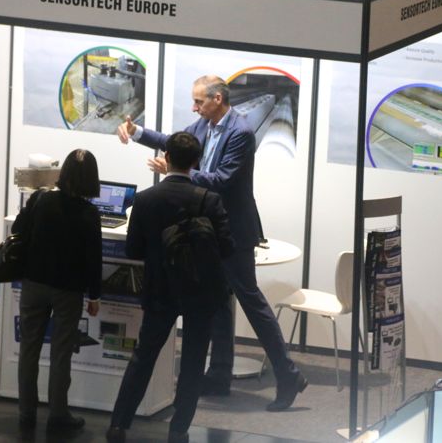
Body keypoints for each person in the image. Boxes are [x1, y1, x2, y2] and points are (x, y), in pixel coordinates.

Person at [116, 75, 307, 411]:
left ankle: (288, 375)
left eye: (199, 101)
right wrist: (138, 133)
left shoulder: (241, 132)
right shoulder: (204, 125)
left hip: (233, 231)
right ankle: (219, 375)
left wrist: (178, 172)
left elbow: (222, 179)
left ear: (217, 99)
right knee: (218, 301)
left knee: (251, 302)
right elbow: (175, 142)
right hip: (210, 229)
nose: (194, 107)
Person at [106, 132, 235, 443]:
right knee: (193, 361)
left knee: (144, 356)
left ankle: (119, 425)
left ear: (166, 157)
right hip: (199, 292)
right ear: (196, 162)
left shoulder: (145, 199)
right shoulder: (209, 200)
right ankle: (179, 429)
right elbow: (227, 248)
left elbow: (134, 250)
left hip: (159, 289)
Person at [14, 149, 102, 432]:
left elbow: (18, 229)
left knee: (29, 349)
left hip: (34, 284)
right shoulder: (90, 214)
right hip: (68, 291)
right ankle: (58, 415)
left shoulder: (41, 200)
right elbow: (94, 260)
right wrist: (94, 295)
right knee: (61, 353)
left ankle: (26, 413)